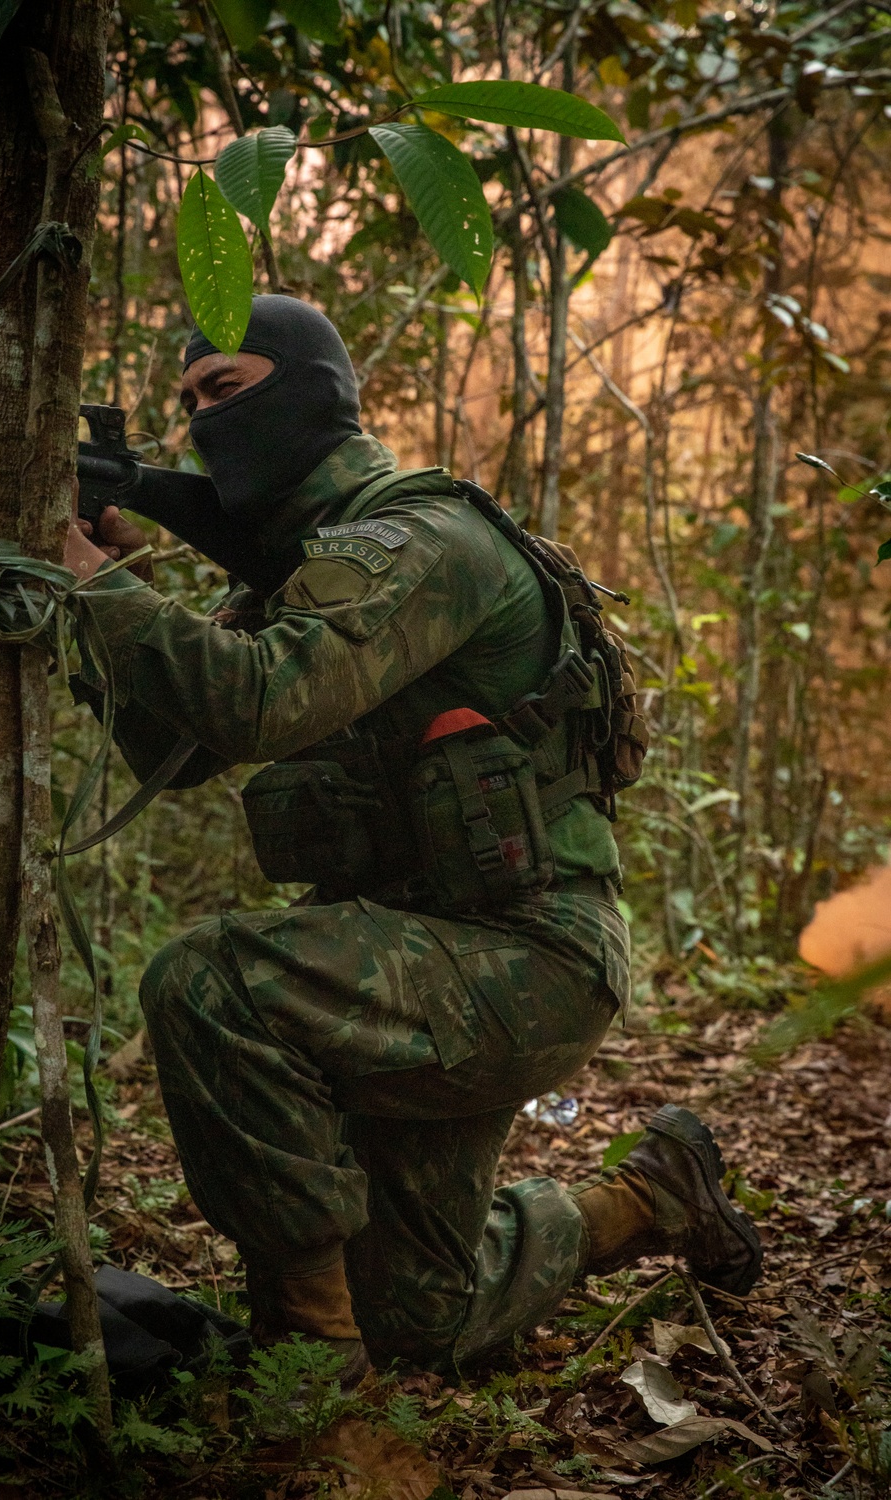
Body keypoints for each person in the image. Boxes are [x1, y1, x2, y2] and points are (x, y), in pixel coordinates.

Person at [65, 294, 761, 1384]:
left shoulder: (412, 538)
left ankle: (312, 1371)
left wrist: (105, 588)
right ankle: (647, 1193)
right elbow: (185, 749)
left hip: (527, 955)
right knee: (422, 1320)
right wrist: (99, 591)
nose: (202, 421)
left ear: (316, 392)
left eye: (228, 390)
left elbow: (256, 706)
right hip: (419, 953)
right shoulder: (303, 570)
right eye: (189, 401)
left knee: (211, 982)